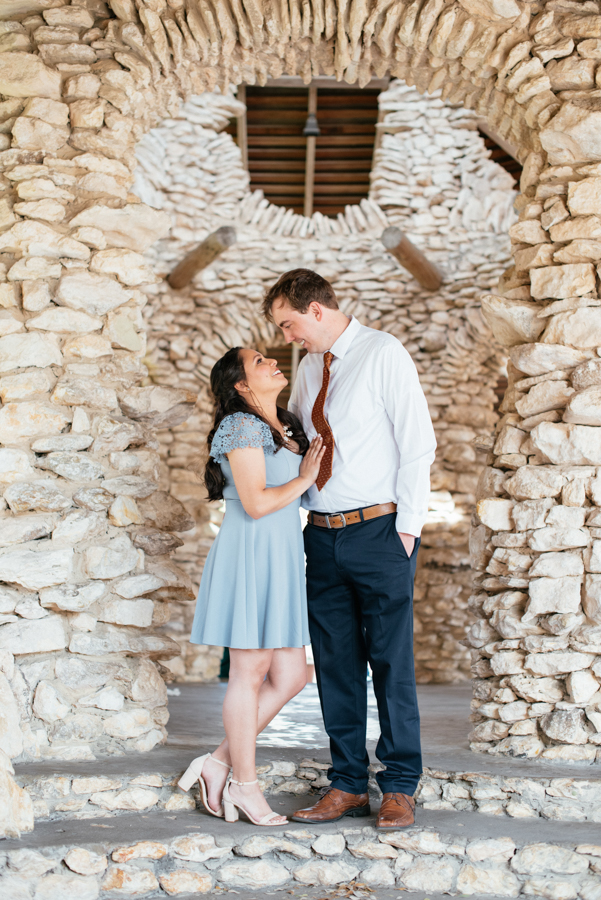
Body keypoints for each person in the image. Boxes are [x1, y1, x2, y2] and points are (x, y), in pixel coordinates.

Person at [262, 268, 436, 830]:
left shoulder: (384, 353)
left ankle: (400, 785)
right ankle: (345, 784)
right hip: (321, 533)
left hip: (380, 532)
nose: (287, 337)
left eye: (289, 323)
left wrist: (407, 528)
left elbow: (417, 443)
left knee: (390, 662)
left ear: (316, 310)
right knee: (334, 663)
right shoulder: (310, 368)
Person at [178, 346, 325, 827]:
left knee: (292, 676)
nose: (271, 362)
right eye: (258, 361)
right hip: (250, 555)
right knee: (251, 672)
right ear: (240, 385)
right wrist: (305, 478)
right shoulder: (239, 426)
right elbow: (258, 504)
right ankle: (245, 784)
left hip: (281, 556)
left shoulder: (280, 426)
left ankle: (218, 762)